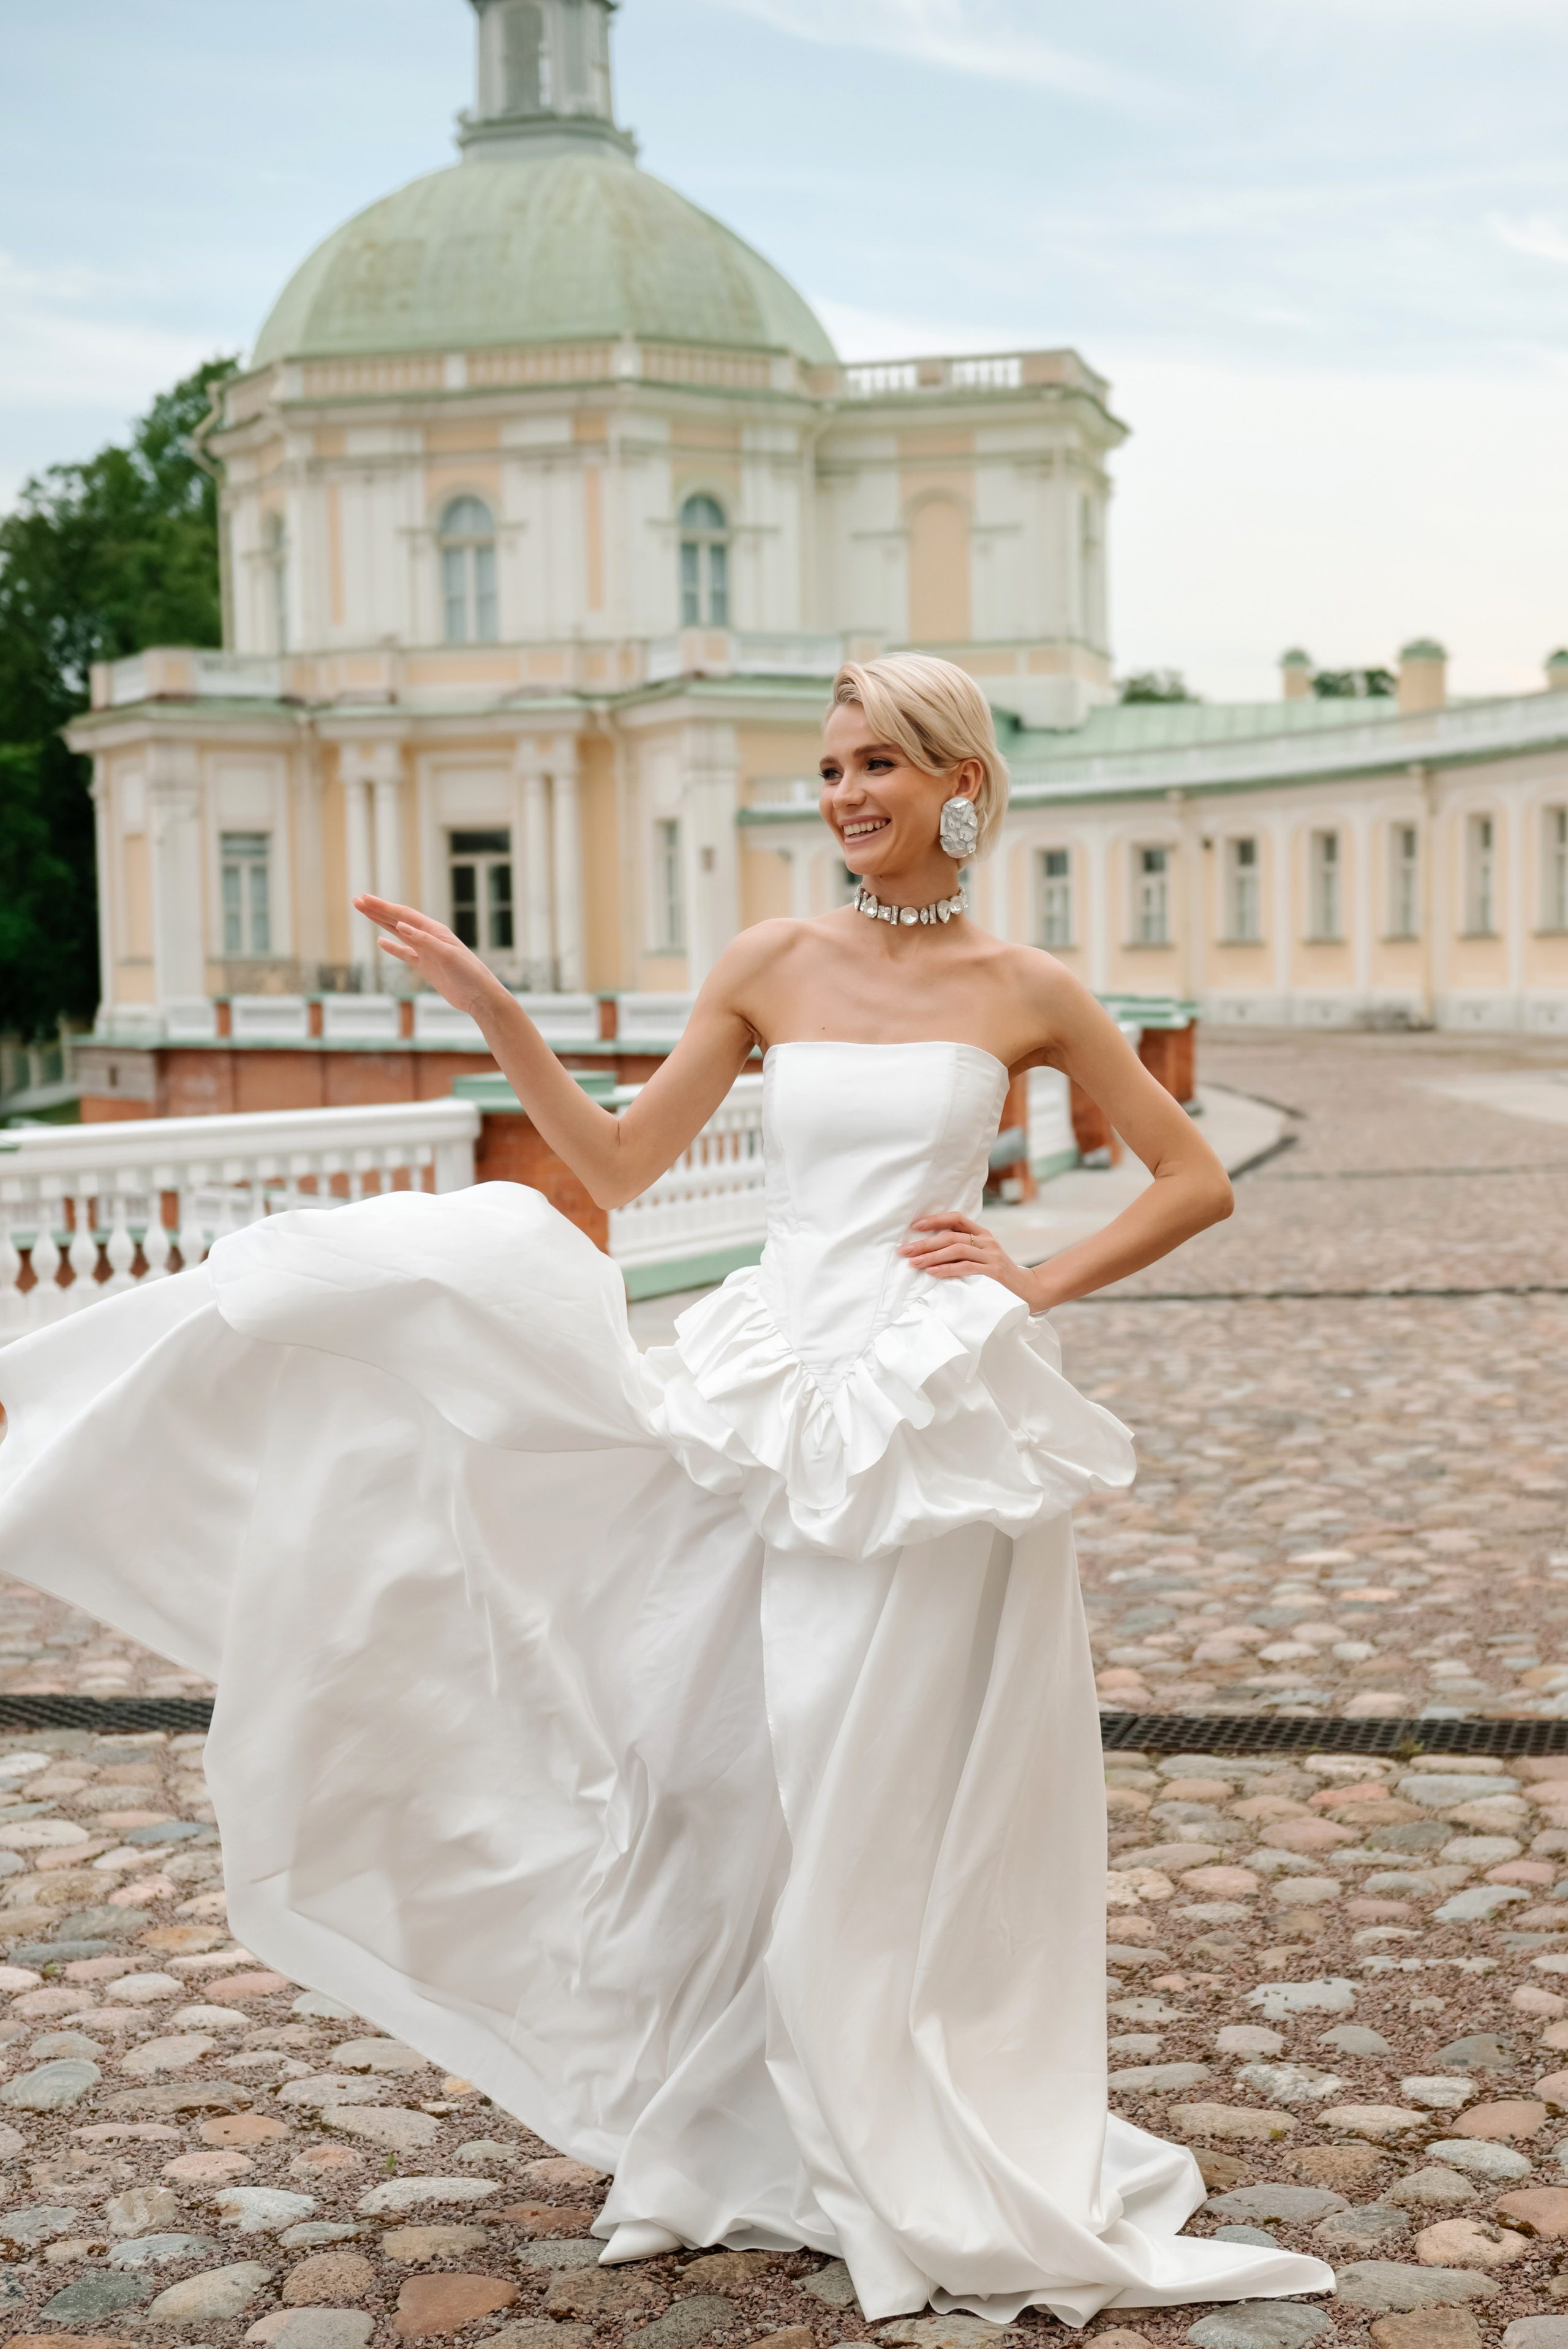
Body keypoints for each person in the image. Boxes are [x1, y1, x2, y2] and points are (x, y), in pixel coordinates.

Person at [0, 656, 1332, 2325]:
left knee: (881, 1774)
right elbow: (622, 1164)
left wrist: (1027, 1283)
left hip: (926, 1411)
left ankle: (892, 2108)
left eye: (881, 765)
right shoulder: (771, 960)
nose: (847, 794)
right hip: (766, 1394)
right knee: (729, 1767)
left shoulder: (1029, 987)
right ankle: (737, 2119)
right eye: (832, 768)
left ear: (959, 784)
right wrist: (497, 1012)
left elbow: (1193, 1178)